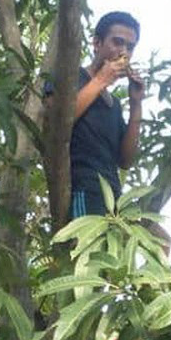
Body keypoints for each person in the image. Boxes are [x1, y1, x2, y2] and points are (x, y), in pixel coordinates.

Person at [68, 11, 145, 218]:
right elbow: (57, 123)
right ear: (97, 43)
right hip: (84, 190)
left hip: (113, 198)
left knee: (161, 240)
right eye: (117, 43)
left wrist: (136, 104)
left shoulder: (114, 104)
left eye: (130, 47)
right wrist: (101, 80)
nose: (124, 52)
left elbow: (125, 160)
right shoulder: (71, 76)